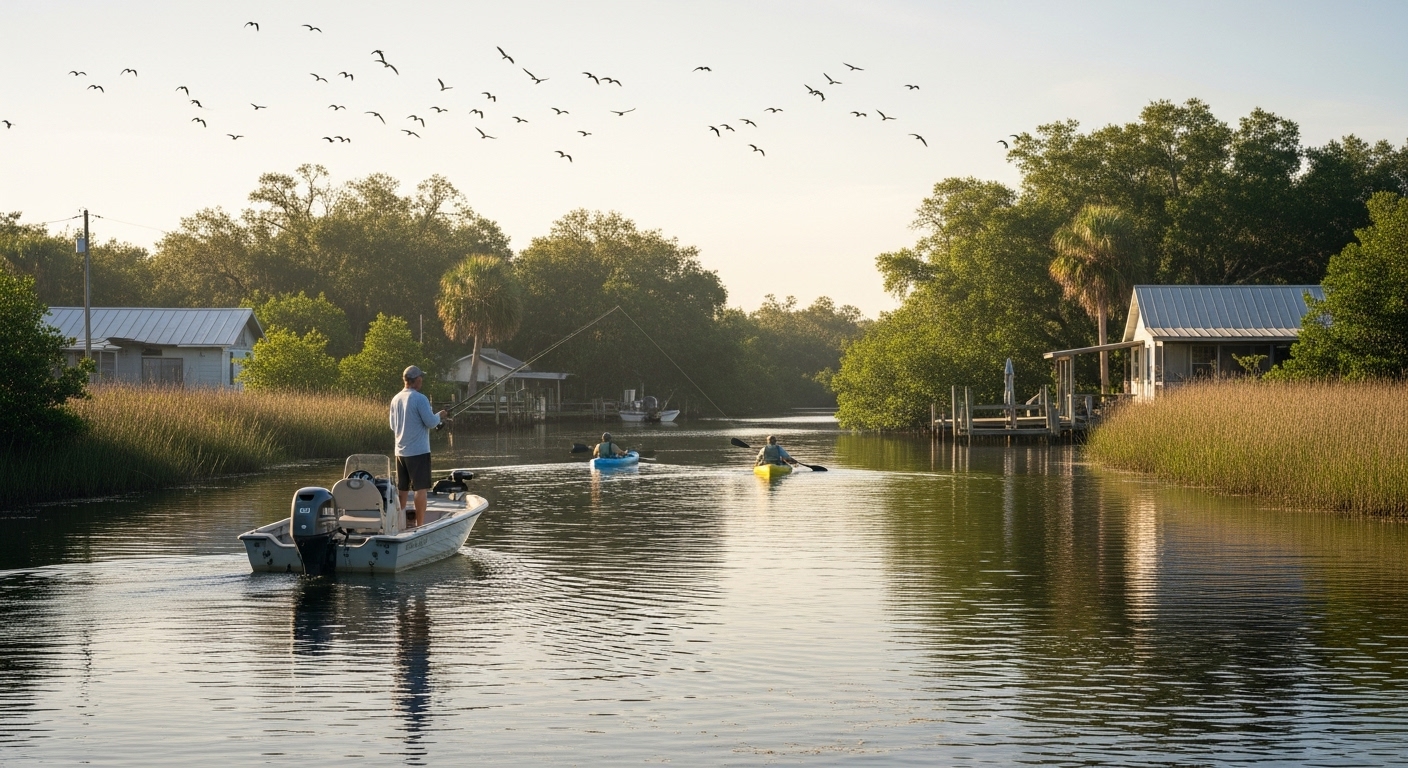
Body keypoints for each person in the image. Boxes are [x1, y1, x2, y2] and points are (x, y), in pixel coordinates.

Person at [389, 365, 448, 527]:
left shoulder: (395, 399)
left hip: (400, 453)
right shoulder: (420, 398)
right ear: (417, 380)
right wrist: (440, 415)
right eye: (421, 378)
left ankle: (398, 525)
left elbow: (393, 426)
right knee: (420, 490)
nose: (422, 381)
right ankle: (420, 526)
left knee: (402, 490)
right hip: (419, 452)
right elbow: (430, 422)